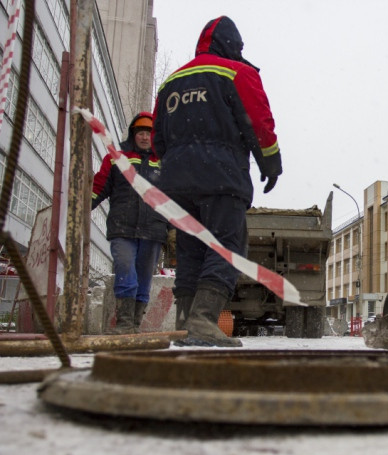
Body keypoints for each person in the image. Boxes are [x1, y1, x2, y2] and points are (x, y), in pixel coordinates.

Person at [152, 16, 282, 347]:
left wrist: (177, 168)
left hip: (178, 184)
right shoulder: (237, 72)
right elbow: (260, 123)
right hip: (222, 178)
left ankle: (185, 321)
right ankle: (204, 319)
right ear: (233, 46)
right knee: (226, 245)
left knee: (191, 247)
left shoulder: (171, 82)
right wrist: (271, 163)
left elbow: (157, 141)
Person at [92, 112, 168, 334]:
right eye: (141, 133)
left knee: (144, 278)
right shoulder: (117, 158)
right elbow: (98, 188)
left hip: (153, 230)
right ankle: (124, 322)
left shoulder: (165, 164)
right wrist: (80, 208)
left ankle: (134, 324)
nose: (145, 138)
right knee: (126, 269)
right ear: (133, 135)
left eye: (149, 134)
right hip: (122, 228)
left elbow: (175, 198)